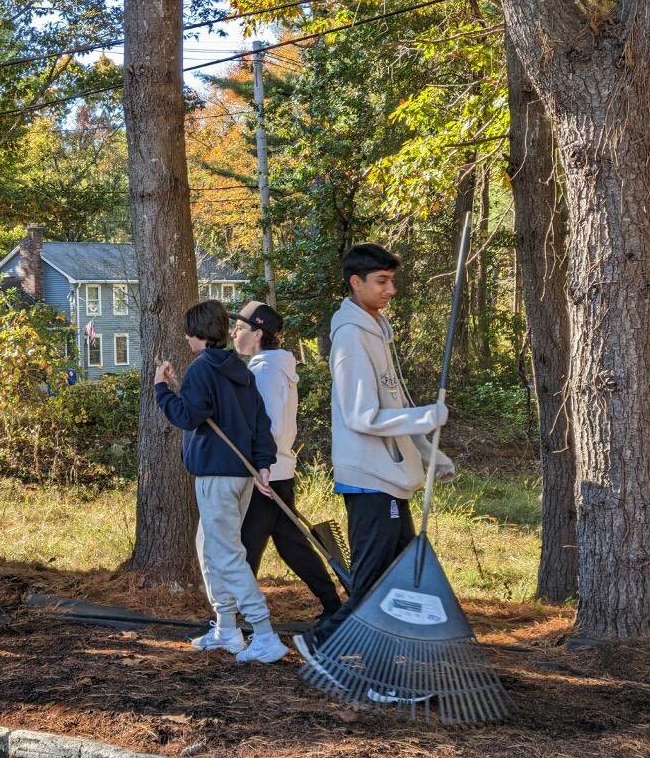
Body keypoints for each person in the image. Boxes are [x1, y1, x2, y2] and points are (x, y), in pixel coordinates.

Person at [294, 244, 455, 672]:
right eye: (382, 281)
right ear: (356, 282)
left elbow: (393, 403)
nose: (391, 290)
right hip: (369, 477)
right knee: (375, 580)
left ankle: (382, 656)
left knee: (399, 575)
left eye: (392, 280)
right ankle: (321, 644)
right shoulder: (350, 337)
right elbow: (361, 415)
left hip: (391, 475)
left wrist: (428, 452)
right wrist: (426, 417)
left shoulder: (377, 330)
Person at [154, 299, 288, 664]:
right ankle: (226, 627)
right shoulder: (237, 368)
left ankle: (264, 633)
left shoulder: (202, 368)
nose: (186, 338)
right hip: (241, 475)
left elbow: (187, 416)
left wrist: (162, 388)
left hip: (216, 475)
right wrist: (263, 465)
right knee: (209, 548)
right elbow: (259, 422)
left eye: (188, 332)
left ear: (197, 333)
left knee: (227, 555)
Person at [229, 301, 342, 621]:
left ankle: (233, 617)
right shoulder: (272, 366)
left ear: (258, 333)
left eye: (240, 328)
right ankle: (333, 605)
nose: (234, 333)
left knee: (246, 545)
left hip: (266, 474)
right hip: (276, 471)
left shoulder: (264, 371)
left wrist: (259, 465)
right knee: (291, 544)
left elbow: (272, 426)